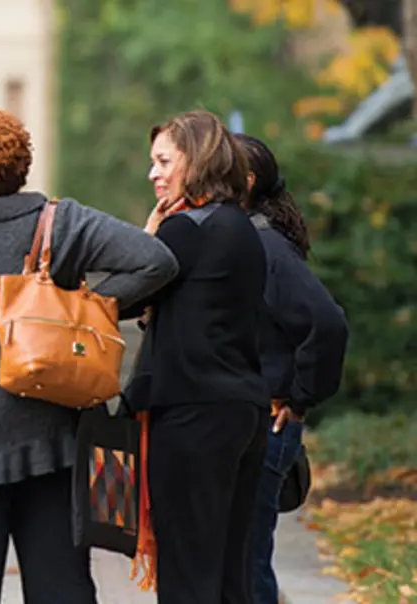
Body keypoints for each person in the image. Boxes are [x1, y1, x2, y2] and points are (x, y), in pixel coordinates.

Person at [0, 103, 179, 604]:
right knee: (62, 589)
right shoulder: (59, 221)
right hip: (51, 436)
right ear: (22, 162)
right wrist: (87, 309)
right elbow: (156, 261)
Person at [124, 110, 272, 604]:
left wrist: (149, 234)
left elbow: (122, 296)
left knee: (187, 575)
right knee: (229, 575)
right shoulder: (241, 226)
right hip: (242, 411)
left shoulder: (186, 230)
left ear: (198, 159)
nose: (154, 173)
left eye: (164, 161)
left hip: (192, 414)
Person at [235, 134, 348, 604]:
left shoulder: (266, 246)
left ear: (245, 181)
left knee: (247, 564)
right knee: (241, 561)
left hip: (270, 423)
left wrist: (300, 398)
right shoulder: (243, 240)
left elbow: (327, 323)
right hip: (253, 420)